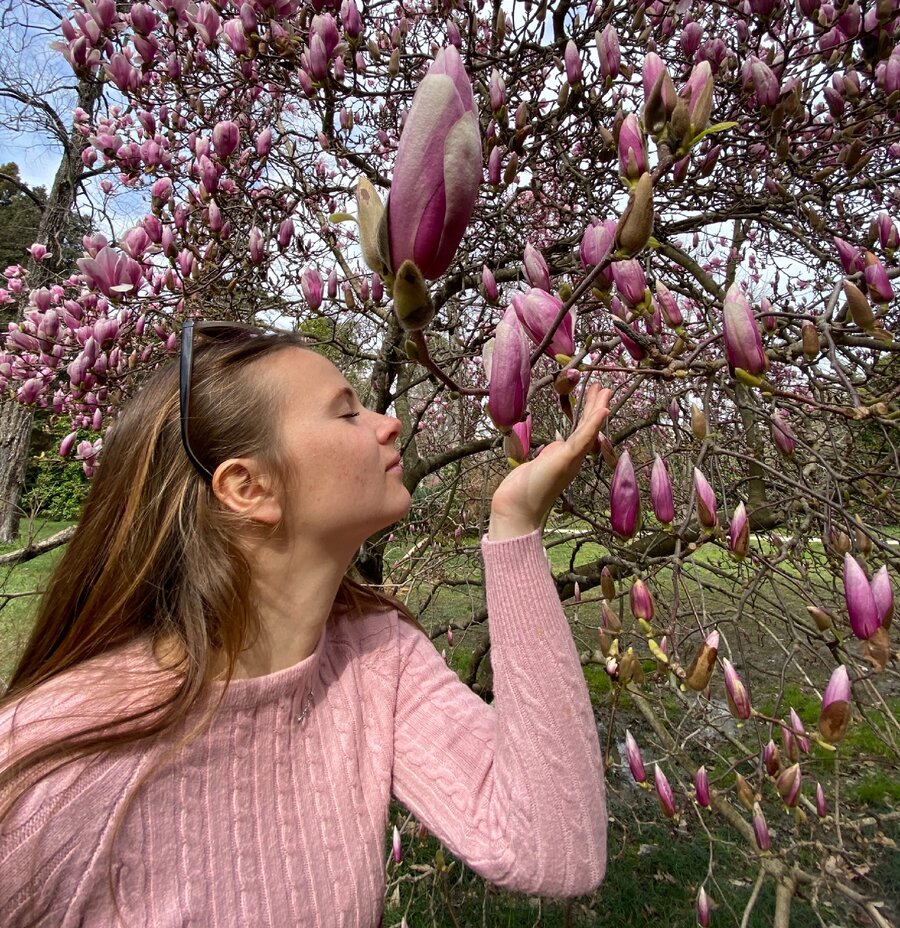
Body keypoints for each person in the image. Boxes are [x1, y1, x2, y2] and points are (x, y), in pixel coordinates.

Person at [0, 322, 609, 926]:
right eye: (347, 414)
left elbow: (553, 850)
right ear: (248, 486)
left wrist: (515, 526)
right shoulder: (58, 765)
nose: (388, 422)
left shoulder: (378, 660)